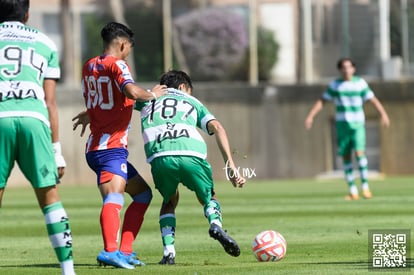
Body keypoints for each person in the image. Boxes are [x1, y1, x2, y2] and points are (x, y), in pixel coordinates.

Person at [72, 22, 167, 269]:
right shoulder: (118, 64)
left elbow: (102, 98)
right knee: (114, 198)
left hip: (100, 147)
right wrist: (153, 93)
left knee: (143, 194)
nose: (128, 54)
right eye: (128, 49)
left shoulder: (89, 65)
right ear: (123, 44)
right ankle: (110, 251)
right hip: (109, 149)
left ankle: (124, 251)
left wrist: (88, 113)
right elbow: (131, 92)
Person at [134, 70, 246, 265]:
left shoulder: (147, 97)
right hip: (190, 153)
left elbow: (121, 99)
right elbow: (218, 128)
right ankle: (215, 224)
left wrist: (89, 114)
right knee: (208, 197)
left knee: (169, 200)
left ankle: (169, 252)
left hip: (160, 155)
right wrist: (230, 166)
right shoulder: (191, 101)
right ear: (183, 87)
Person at [0, 1, 75, 274]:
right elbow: (51, 102)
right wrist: (57, 151)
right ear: (27, 13)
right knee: (50, 197)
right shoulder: (44, 42)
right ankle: (68, 270)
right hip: (35, 119)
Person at [304, 58, 390, 200]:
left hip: (357, 124)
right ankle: (352, 190)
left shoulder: (360, 83)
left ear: (353, 69)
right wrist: (311, 116)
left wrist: (384, 114)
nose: (346, 70)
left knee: (359, 152)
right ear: (340, 69)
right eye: (343, 67)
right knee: (345, 156)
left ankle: (365, 187)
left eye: (349, 67)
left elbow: (372, 99)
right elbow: (322, 101)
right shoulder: (335, 85)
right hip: (342, 125)